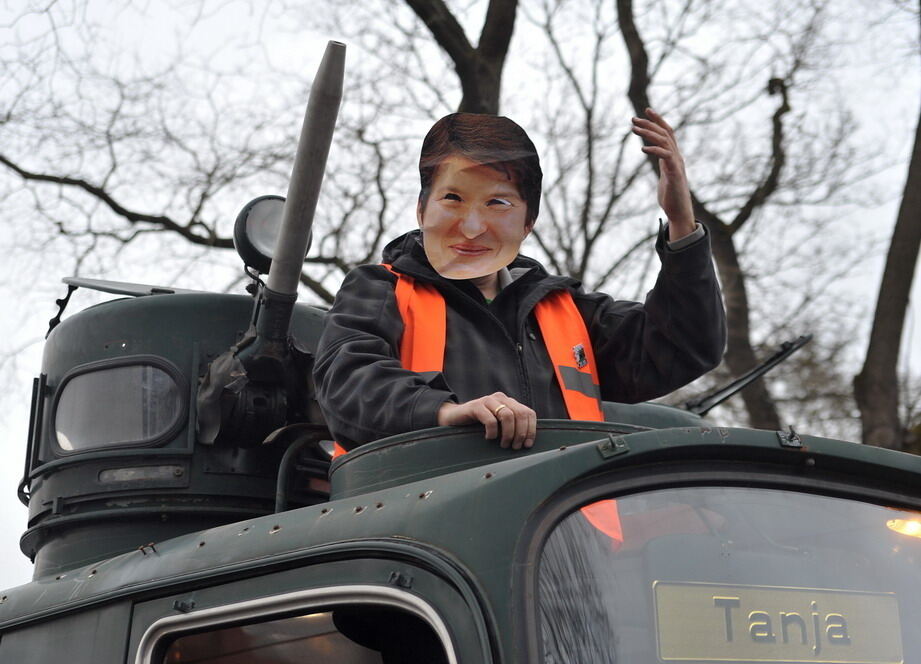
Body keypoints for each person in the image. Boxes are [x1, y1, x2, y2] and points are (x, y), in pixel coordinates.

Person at [314, 110, 725, 451]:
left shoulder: (568, 310)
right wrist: (443, 411)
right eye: (453, 199)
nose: (473, 227)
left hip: (565, 540)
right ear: (422, 210)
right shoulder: (379, 289)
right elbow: (345, 383)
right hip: (423, 535)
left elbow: (683, 346)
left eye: (497, 203)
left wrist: (681, 224)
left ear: (528, 223)